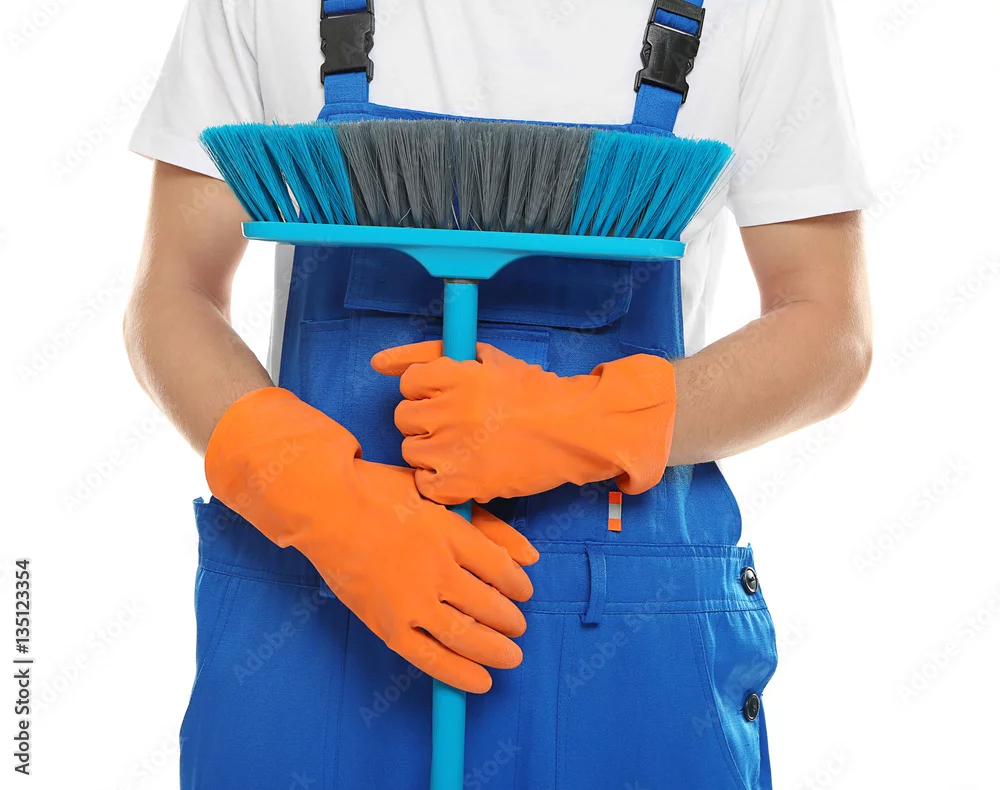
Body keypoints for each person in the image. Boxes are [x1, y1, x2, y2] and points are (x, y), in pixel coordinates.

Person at [124, 0, 873, 787]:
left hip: (621, 648)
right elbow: (173, 293)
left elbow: (829, 331)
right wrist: (324, 499)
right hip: (312, 626)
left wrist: (581, 420)